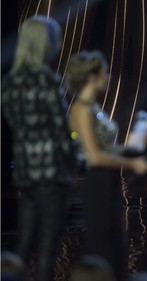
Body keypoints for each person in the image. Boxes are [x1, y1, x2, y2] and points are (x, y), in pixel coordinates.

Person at [65, 50, 147, 280]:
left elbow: (104, 150)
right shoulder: (81, 109)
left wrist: (133, 142)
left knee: (116, 243)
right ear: (92, 76)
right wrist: (133, 163)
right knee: (102, 242)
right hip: (96, 181)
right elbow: (93, 156)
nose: (109, 77)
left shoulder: (93, 108)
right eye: (104, 72)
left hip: (107, 180)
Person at [1, 16, 77, 281]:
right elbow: (62, 131)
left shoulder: (8, 84)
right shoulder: (47, 80)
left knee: (23, 243)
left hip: (25, 172)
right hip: (52, 173)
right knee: (47, 247)